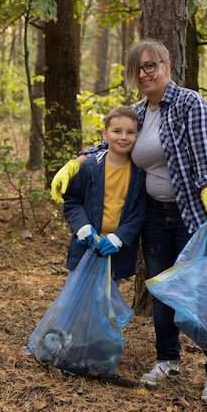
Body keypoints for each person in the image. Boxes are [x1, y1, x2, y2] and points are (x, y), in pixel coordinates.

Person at [51, 39, 207, 401]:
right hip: (152, 216)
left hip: (191, 214)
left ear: (167, 65)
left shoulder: (189, 104)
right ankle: (167, 358)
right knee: (161, 290)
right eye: (138, 68)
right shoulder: (139, 112)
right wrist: (77, 162)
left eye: (151, 65)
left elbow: (206, 159)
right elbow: (112, 142)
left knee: (203, 290)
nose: (144, 73)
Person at [63, 107, 146, 284]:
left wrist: (120, 237)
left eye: (130, 132)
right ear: (105, 134)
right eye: (117, 131)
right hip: (85, 246)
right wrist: (82, 227)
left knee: (106, 302)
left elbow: (139, 213)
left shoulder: (140, 174)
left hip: (115, 251)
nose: (124, 137)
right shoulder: (89, 167)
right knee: (77, 299)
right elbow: (72, 200)